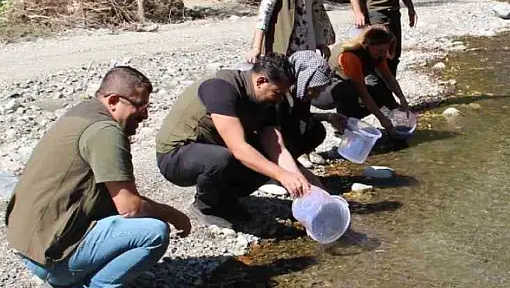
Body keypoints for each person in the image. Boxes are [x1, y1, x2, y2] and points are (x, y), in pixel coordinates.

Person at [6, 66, 192, 288]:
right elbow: (130, 206)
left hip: (32, 246)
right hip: (47, 256)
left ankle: (63, 281)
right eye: (140, 106)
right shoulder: (106, 131)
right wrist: (174, 214)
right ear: (114, 101)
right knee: (154, 232)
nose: (145, 114)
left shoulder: (83, 113)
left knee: (128, 217)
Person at [156, 54, 317, 229]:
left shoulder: (267, 100)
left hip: (213, 147)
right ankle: (205, 207)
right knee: (223, 158)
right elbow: (239, 148)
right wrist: (281, 175)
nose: (280, 99)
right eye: (277, 93)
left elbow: (276, 147)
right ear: (261, 81)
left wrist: (299, 180)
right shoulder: (220, 88)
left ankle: (225, 200)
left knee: (262, 156)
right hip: (176, 156)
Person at [314, 25, 410, 134]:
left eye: (386, 50)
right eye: (380, 50)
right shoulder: (350, 56)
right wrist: (382, 119)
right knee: (350, 91)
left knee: (381, 90)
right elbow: (362, 92)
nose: (383, 54)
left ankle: (395, 122)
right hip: (321, 94)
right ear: (367, 45)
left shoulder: (378, 54)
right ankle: (344, 126)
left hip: (343, 87)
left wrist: (402, 99)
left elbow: (388, 78)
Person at [280, 49, 348, 158]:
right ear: (303, 79)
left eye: (320, 91)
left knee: (316, 129)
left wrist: (329, 117)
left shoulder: (301, 92)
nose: (316, 96)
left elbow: (301, 115)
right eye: (315, 90)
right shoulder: (280, 93)